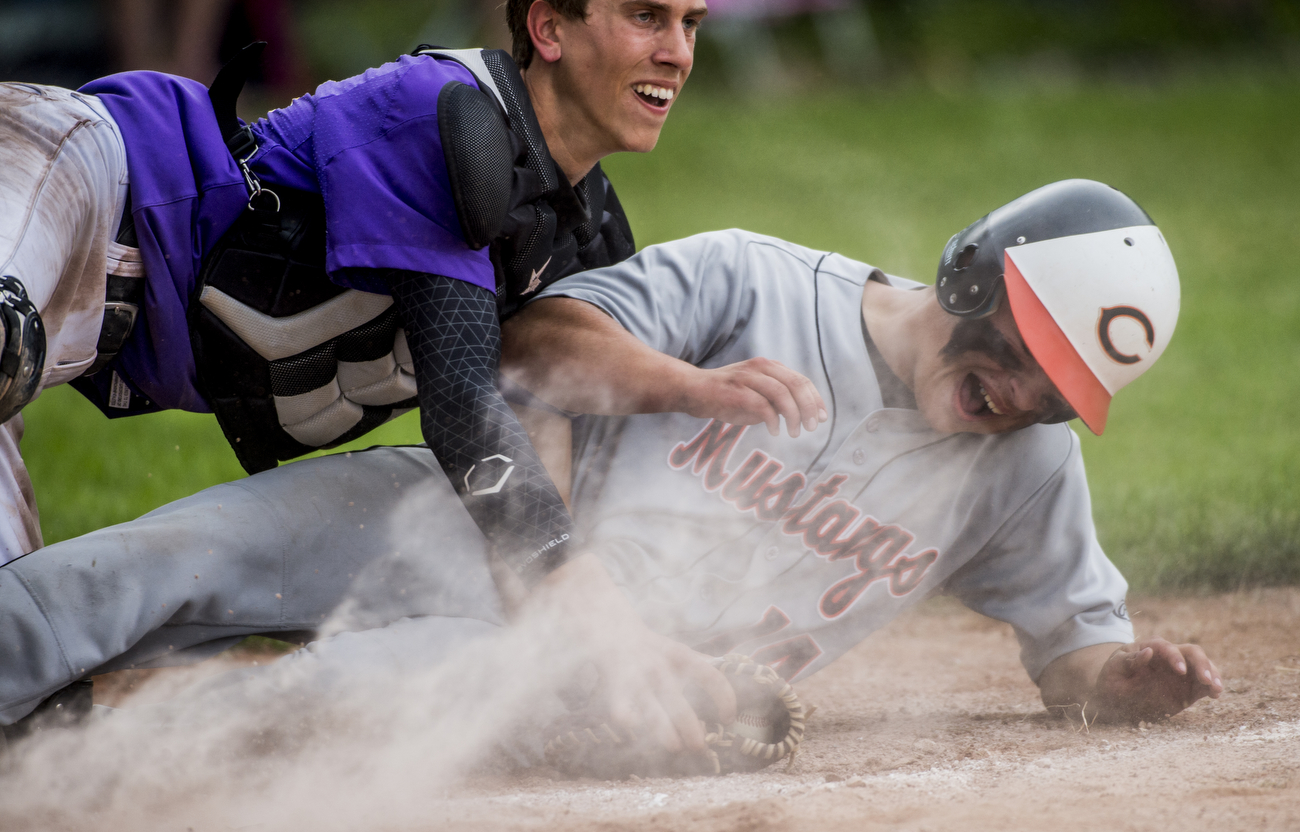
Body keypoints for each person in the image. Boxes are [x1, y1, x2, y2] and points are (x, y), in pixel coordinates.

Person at [0, 180, 1221, 752]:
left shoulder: (1023, 474)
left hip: (589, 672)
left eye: (1056, 393)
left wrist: (1120, 681)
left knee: (285, 704)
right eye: (1022, 353)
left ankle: (86, 745)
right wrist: (687, 383)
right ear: (974, 279)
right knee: (152, 564)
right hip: (468, 519)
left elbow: (1073, 648)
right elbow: (525, 344)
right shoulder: (753, 279)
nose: (1019, 396)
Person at [0, 0, 707, 635]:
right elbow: (462, 407)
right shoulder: (451, 115)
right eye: (647, 17)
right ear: (548, 29)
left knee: (15, 658)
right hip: (85, 167)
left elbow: (567, 462)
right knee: (3, 336)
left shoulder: (586, 238)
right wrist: (565, 580)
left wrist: (607, 644)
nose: (677, 52)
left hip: (98, 329)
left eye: (691, 24)